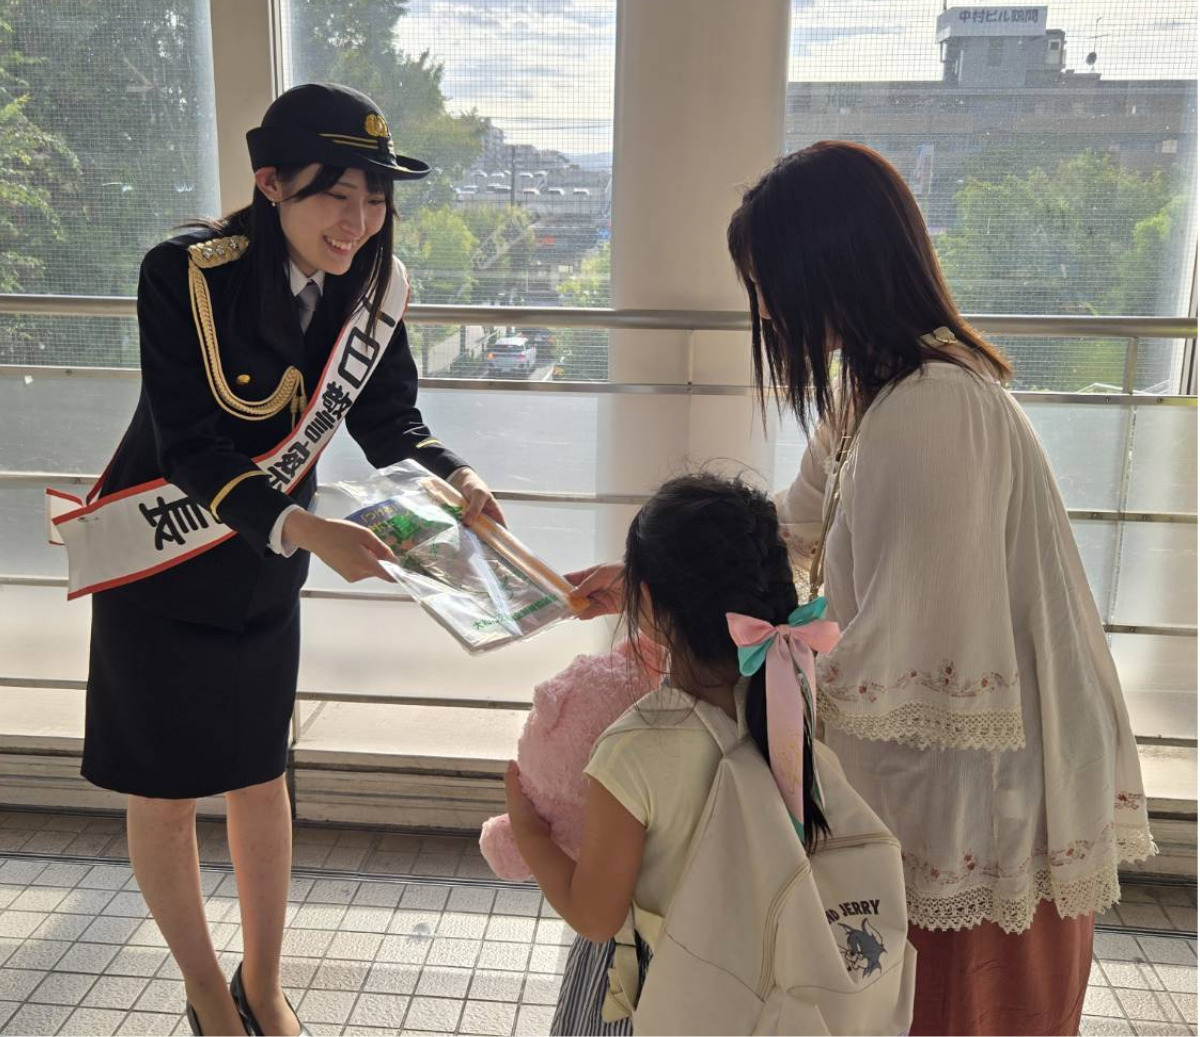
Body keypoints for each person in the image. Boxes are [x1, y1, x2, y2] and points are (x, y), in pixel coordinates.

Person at [568, 141, 1154, 1036]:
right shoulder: (874, 392)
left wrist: (756, 719)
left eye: (768, 283)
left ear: (829, 270)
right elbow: (789, 526)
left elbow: (921, 670)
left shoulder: (933, 410)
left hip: (979, 800)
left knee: (950, 1004)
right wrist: (645, 583)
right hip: (947, 783)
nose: (764, 308)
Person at [69, 83, 502, 1036]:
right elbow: (192, 448)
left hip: (264, 573)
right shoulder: (184, 273)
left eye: (376, 198)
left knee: (262, 778)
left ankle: (261, 985)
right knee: (168, 794)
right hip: (161, 564)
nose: (358, 222)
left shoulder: (373, 281)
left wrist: (457, 477)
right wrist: (307, 529)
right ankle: (200, 990)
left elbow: (391, 421)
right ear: (271, 184)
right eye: (334, 196)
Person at [507, 473, 831, 1035]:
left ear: (649, 597)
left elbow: (596, 915)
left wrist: (527, 833)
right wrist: (647, 597)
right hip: (771, 972)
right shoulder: (789, 686)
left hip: (667, 984)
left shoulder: (633, 749)